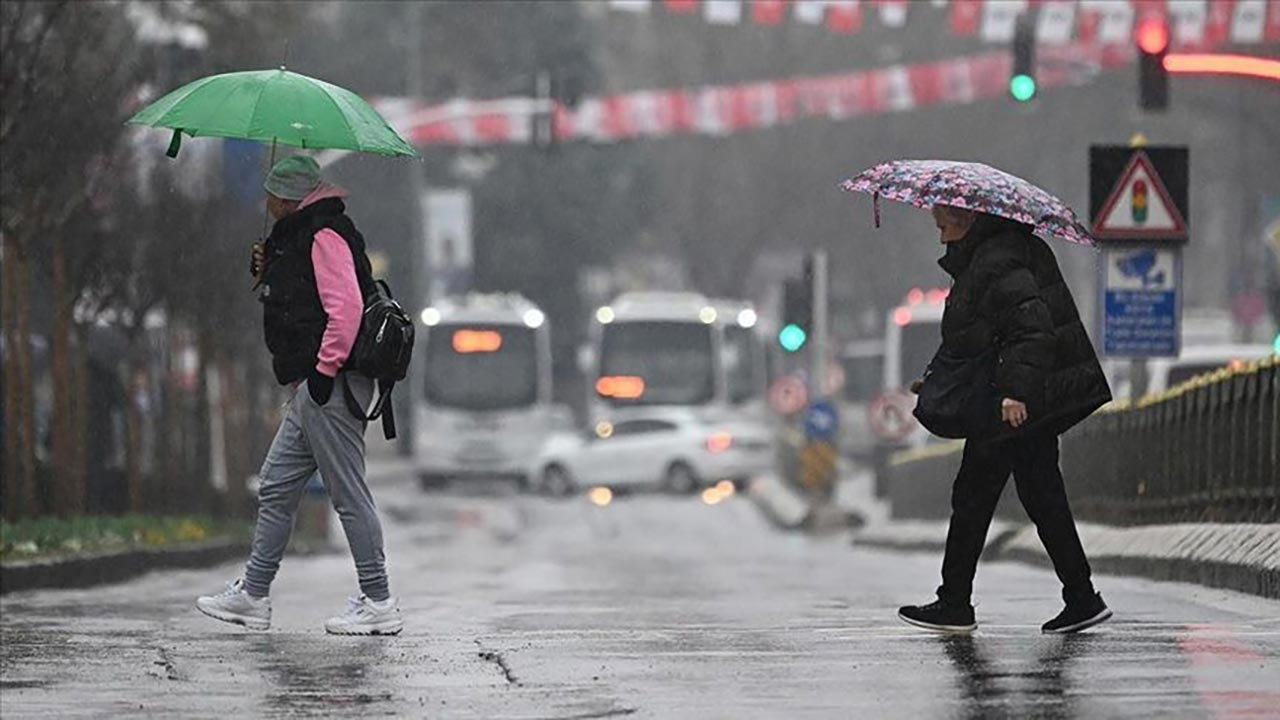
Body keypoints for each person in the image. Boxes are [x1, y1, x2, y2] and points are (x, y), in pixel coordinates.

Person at [196, 155, 402, 636]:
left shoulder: (325, 234)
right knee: (275, 486)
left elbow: (346, 311)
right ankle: (253, 594)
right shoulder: (299, 236)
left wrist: (325, 372)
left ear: (289, 198)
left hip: (329, 382)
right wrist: (268, 267)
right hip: (312, 385)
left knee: (348, 493)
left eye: (270, 195)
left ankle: (378, 600)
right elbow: (301, 297)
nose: (264, 202)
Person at [897, 205, 1113, 635]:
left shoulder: (998, 261)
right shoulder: (991, 258)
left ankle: (955, 603)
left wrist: (1015, 392)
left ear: (967, 221)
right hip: (1008, 403)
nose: (940, 237)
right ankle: (1080, 597)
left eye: (944, 226)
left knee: (976, 500)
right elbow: (976, 337)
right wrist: (939, 382)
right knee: (1039, 498)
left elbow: (1030, 330)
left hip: (1009, 408)